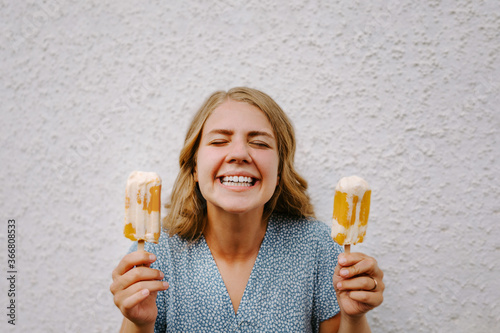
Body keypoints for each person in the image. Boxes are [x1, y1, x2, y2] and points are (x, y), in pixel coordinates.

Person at [110, 87, 384, 332]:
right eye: (219, 141)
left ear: (279, 172)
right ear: (194, 167)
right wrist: (140, 323)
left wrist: (354, 319)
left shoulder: (319, 246)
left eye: (260, 142)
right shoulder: (155, 255)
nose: (239, 153)